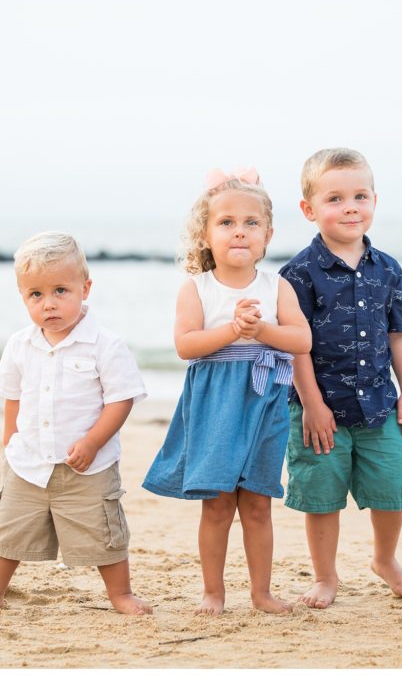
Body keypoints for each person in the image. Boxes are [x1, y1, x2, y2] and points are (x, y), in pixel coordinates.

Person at [142, 168, 311, 616]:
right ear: (205, 233)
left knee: (257, 501)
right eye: (227, 222)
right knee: (217, 503)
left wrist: (264, 330)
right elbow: (185, 345)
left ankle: (262, 593)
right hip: (215, 400)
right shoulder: (196, 288)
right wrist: (232, 330)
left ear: (268, 234)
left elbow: (302, 341)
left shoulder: (278, 286)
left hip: (264, 401)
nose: (240, 231)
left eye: (251, 223)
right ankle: (213, 592)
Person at [0, 231, 151, 615]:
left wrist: (93, 442)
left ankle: (120, 594)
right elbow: (12, 394)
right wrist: (10, 442)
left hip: (88, 466)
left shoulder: (105, 344)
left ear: (85, 288)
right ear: (24, 297)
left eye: (61, 290)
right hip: (28, 463)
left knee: (103, 531)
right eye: (36, 295)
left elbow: (121, 399)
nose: (49, 304)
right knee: (9, 528)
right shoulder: (20, 345)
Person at [279, 148, 402, 609]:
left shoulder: (388, 269)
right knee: (321, 496)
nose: (350, 207)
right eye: (335, 198)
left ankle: (385, 558)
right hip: (319, 408)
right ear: (309, 209)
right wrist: (313, 404)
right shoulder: (298, 273)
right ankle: (325, 576)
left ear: (375, 200)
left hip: (379, 402)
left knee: (392, 484)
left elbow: (400, 334)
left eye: (360, 196)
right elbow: (296, 344)